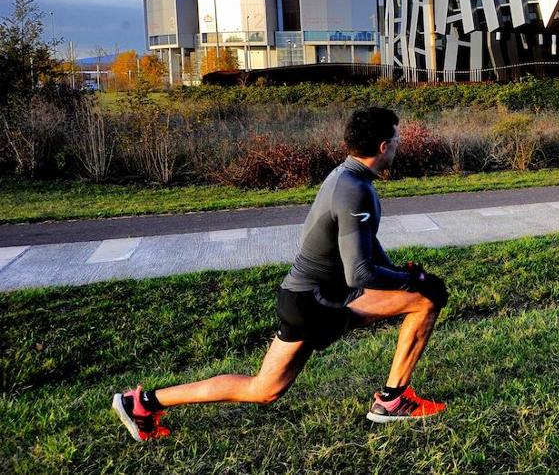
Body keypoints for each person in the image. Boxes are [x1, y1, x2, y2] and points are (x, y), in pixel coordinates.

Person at [112, 107, 449, 442]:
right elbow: (359, 272)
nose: (399, 143)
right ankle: (393, 402)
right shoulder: (354, 189)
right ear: (382, 147)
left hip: (308, 299)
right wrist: (409, 280)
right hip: (314, 304)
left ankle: (141, 402)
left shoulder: (347, 177)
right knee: (426, 296)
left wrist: (398, 273)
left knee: (262, 389)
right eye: (397, 137)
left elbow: (363, 242)